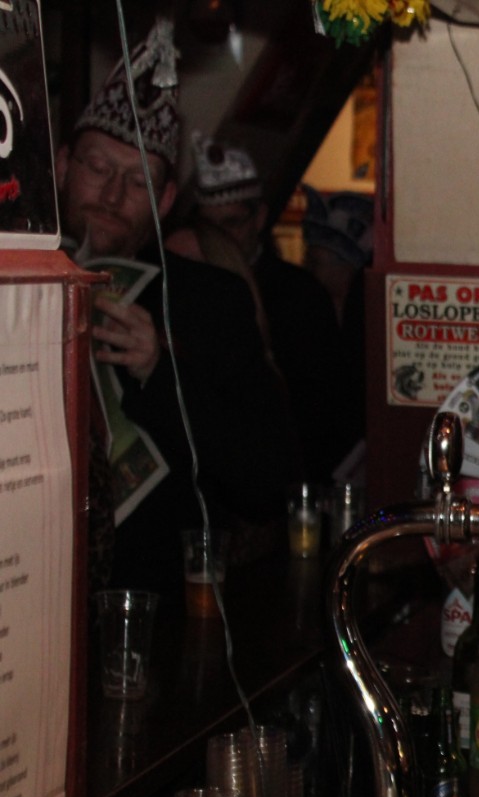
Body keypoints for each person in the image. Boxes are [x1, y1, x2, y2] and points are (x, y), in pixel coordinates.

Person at [56, 19, 298, 594]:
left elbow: (268, 478)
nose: (112, 195)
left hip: (155, 601)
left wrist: (160, 373)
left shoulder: (210, 300)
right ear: (62, 166)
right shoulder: (14, 286)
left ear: (166, 200)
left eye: (137, 180)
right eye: (97, 168)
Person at [189, 134, 352, 482]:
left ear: (259, 218)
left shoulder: (300, 296)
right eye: (209, 227)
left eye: (232, 223)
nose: (220, 239)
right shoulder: (189, 289)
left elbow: (323, 413)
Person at [301, 185, 375, 478]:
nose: (307, 270)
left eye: (315, 262)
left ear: (346, 265)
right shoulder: (305, 320)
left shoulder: (365, 328)